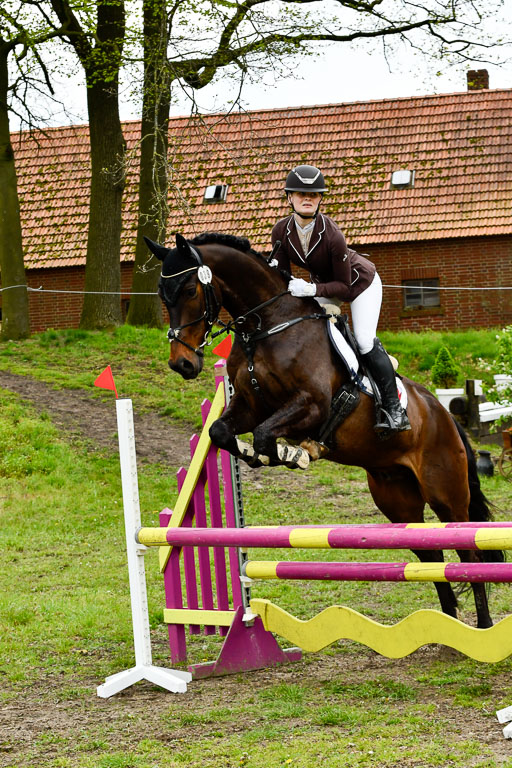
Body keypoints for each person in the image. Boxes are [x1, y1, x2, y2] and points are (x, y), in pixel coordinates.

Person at [271, 164, 410, 436]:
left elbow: (345, 288)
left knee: (364, 339)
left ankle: (394, 409)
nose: (307, 198)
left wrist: (310, 290)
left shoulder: (332, 234)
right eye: (300, 193)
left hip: (360, 284)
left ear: (321, 198)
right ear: (290, 197)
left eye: (314, 194)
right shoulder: (281, 231)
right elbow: (280, 275)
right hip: (325, 286)